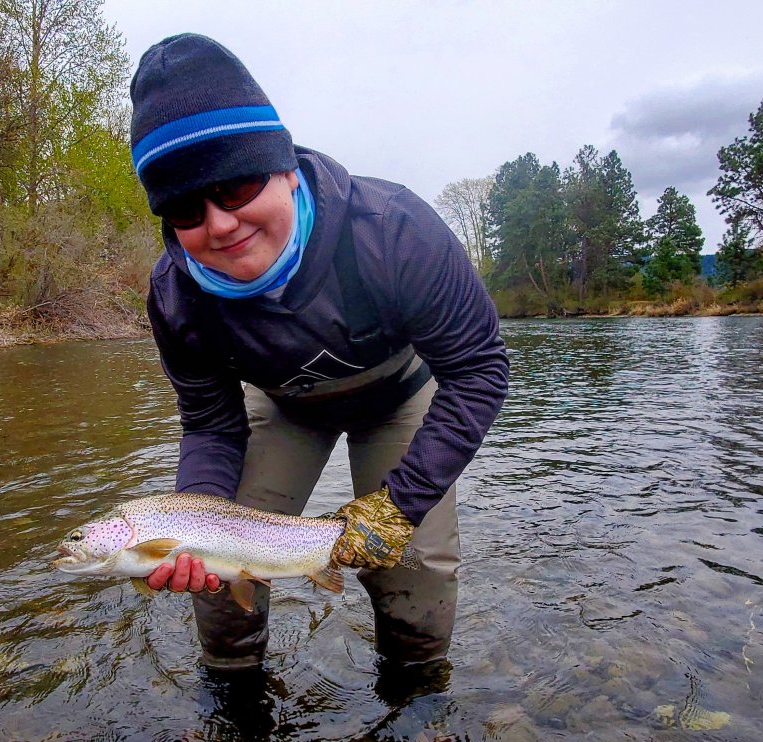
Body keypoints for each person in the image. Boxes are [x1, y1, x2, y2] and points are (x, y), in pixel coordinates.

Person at [130, 33, 508, 670]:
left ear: (285, 168)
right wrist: (193, 525)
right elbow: (210, 425)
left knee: (410, 568)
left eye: (237, 186)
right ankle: (234, 697)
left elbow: (478, 370)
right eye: (186, 209)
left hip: (400, 398)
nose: (220, 223)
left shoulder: (394, 233)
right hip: (285, 407)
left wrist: (401, 503)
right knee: (217, 576)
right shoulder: (177, 298)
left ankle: (416, 699)